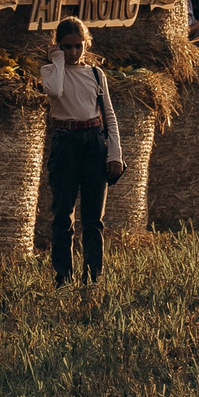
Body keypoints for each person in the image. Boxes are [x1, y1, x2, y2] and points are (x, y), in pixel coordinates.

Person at [40, 17, 126, 285]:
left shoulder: (96, 74)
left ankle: (93, 277)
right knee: (63, 214)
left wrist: (115, 154)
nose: (73, 52)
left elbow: (109, 114)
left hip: (93, 141)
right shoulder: (50, 71)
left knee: (93, 218)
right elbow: (55, 92)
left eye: (78, 46)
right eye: (67, 46)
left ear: (86, 44)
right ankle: (63, 278)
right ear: (58, 46)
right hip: (65, 140)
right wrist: (57, 60)